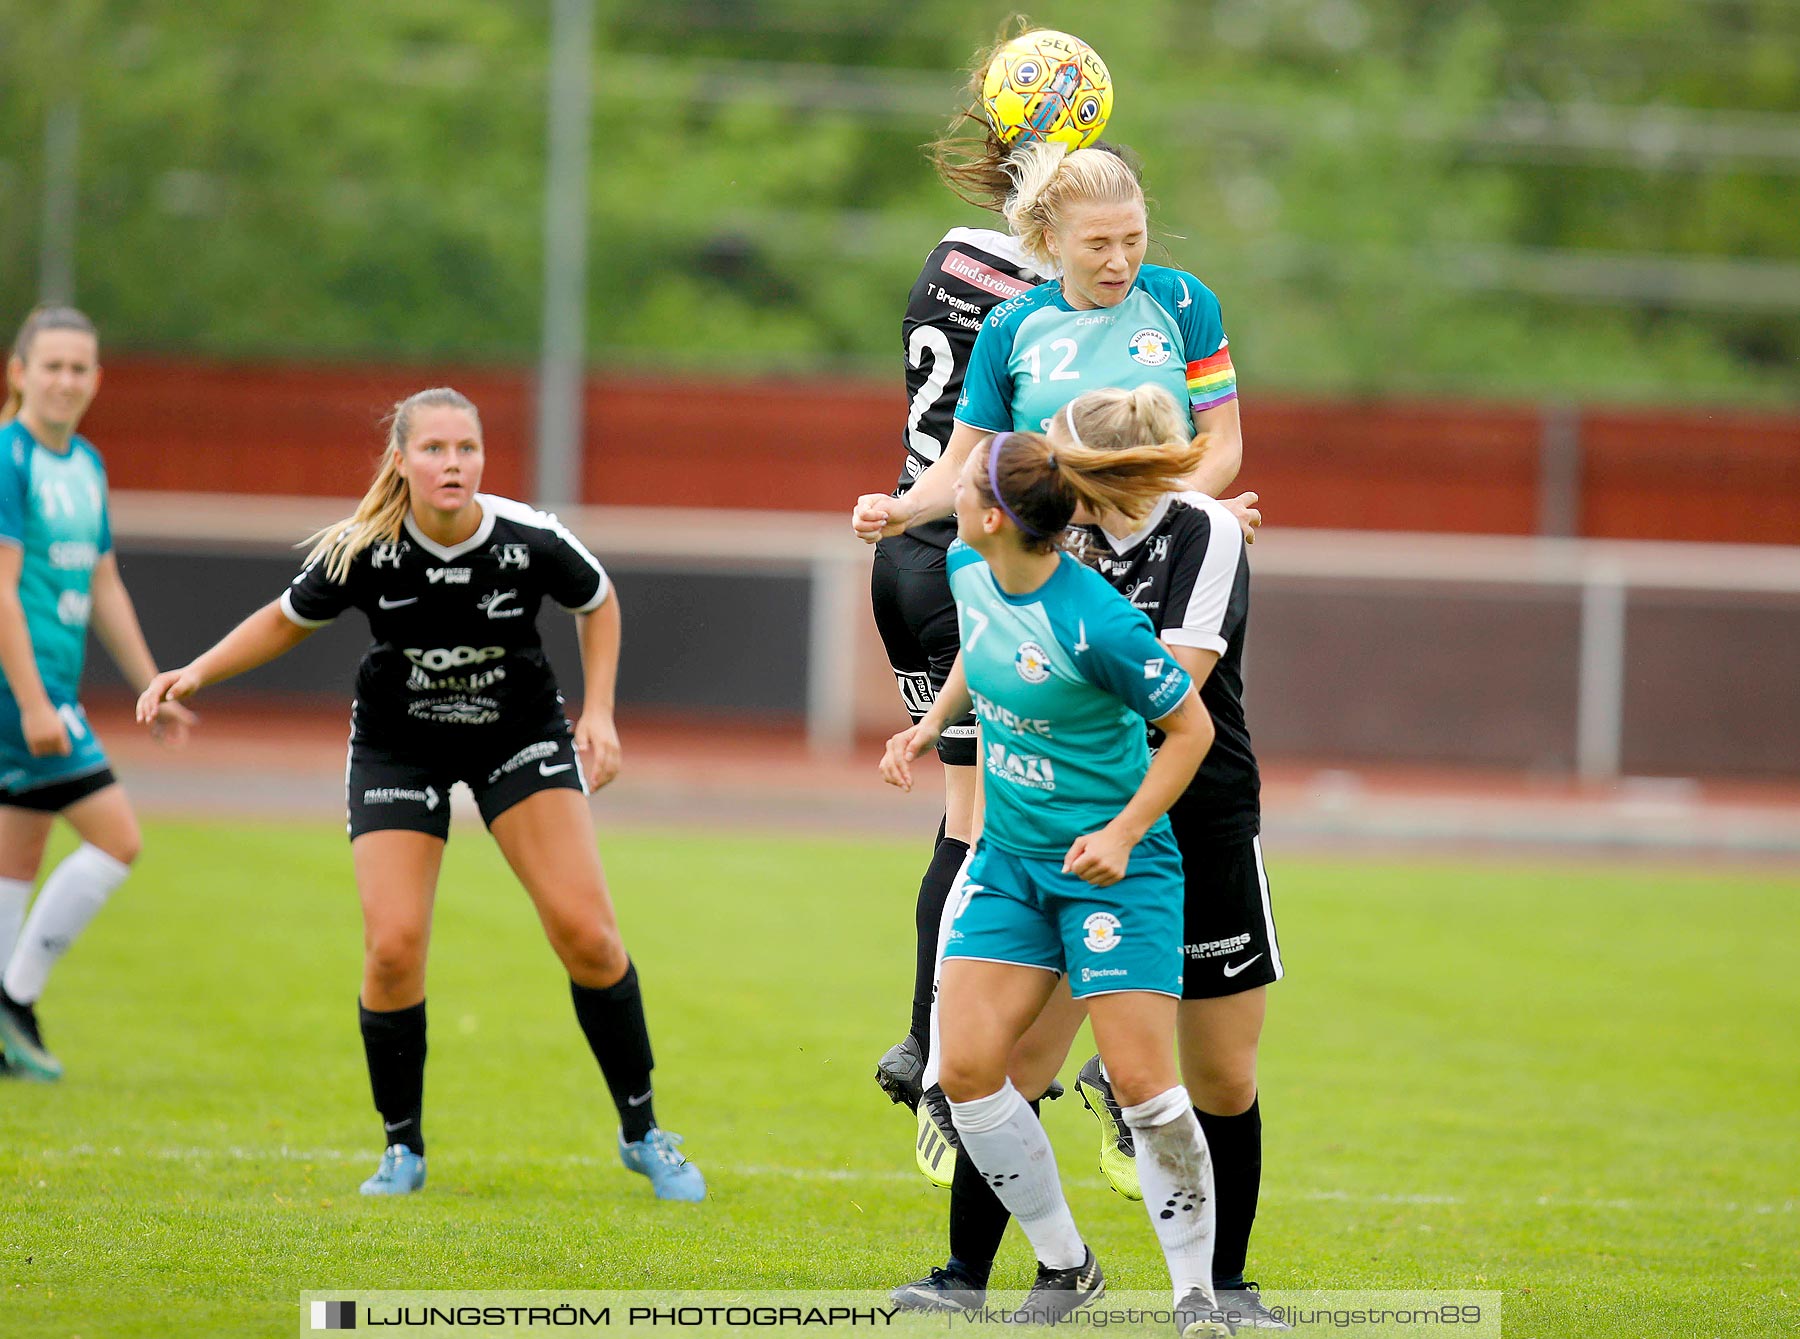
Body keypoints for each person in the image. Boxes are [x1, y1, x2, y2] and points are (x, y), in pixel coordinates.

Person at [134, 387, 704, 1201]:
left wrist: (601, 712)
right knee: (393, 947)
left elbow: (598, 600)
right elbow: (287, 617)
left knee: (588, 935)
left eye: (466, 448)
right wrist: (196, 670)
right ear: (401, 461)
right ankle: (402, 1148)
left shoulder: (527, 538)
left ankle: (645, 1132)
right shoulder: (364, 547)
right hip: (399, 748)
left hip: (519, 737)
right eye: (434, 449)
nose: (453, 463)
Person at [863, 45, 1258, 1189]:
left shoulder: (975, 263)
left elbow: (1205, 439)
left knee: (1004, 814)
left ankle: (961, 1055)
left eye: (1130, 234)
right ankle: (984, 1072)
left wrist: (1179, 504)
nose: (1119, 253)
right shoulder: (1022, 310)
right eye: (1098, 234)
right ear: (1053, 208)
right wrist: (925, 506)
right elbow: (995, 456)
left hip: (989, 560)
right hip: (1010, 565)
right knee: (1040, 816)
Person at [892, 386, 1289, 1331]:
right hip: (1061, 825)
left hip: (1190, 819)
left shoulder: (1202, 533)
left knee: (1220, 1076)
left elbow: (1165, 695)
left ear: (1109, 470)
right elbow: (999, 615)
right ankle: (971, 1273)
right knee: (1012, 1060)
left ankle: (1222, 1290)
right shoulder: (1046, 527)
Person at [0, 306, 195, 1081]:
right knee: (119, 837)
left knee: (17, 854)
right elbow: (2, 591)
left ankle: (5, 1021)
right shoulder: (10, 459)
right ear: (18, 372)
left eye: (80, 366)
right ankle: (14, 997)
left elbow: (104, 581)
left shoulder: (84, 463)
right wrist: (34, 702)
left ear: (97, 380)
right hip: (23, 693)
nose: (66, 379)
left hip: (44, 691)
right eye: (50, 364)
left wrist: (154, 684)